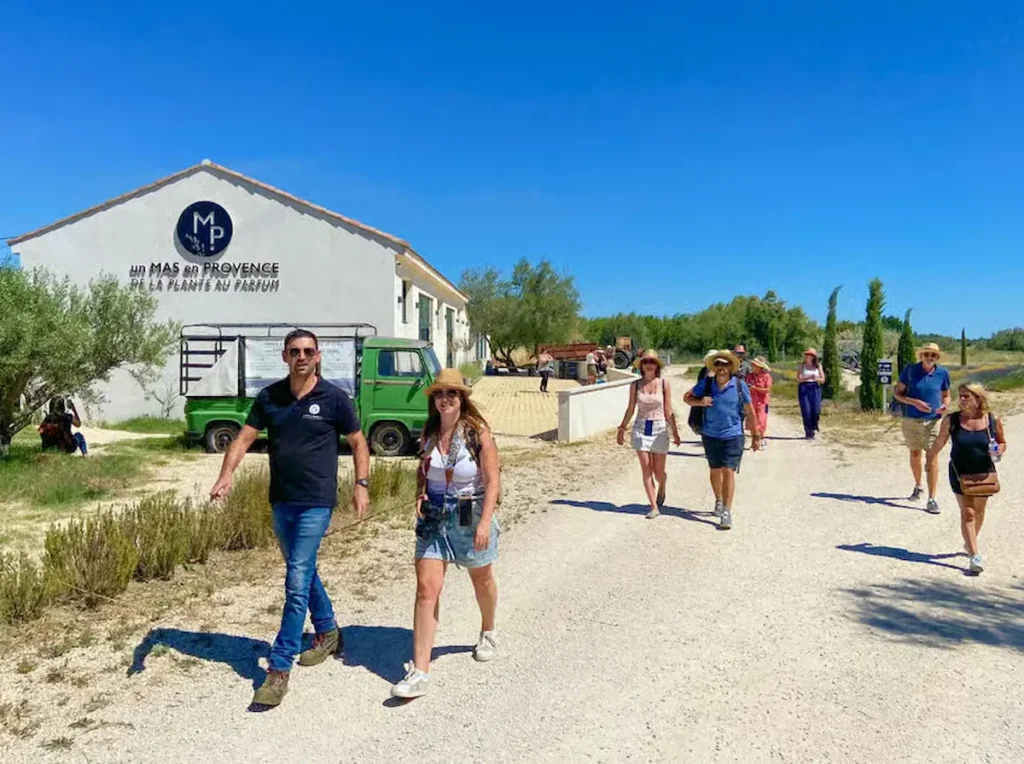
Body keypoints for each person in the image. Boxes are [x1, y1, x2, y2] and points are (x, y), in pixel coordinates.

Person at [210, 329, 370, 708]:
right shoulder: (270, 397)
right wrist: (226, 474)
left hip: (317, 502)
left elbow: (359, 442)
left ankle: (278, 669)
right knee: (304, 570)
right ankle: (329, 631)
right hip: (281, 501)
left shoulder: (334, 398)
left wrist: (361, 484)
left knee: (296, 580)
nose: (301, 357)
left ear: (317, 356)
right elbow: (244, 438)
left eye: (308, 351)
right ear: (285, 357)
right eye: (294, 351)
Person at [391, 368, 501, 699]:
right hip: (434, 515)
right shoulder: (429, 432)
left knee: (480, 577)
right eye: (440, 394)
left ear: (461, 398)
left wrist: (484, 524)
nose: (445, 399)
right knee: (426, 589)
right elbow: (423, 470)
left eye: (451, 394)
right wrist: (420, 493)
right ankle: (421, 670)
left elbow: (492, 479)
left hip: (469, 507)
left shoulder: (477, 432)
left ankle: (488, 630)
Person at [926, 384, 1005, 575]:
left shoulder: (992, 420)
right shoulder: (951, 420)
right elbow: (939, 441)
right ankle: (974, 555)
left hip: (984, 473)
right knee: (968, 513)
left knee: (979, 512)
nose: (961, 400)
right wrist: (929, 460)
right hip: (959, 473)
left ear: (978, 399)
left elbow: (1002, 442)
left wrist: (999, 450)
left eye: (966, 396)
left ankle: (970, 542)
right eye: (960, 396)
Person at [684, 350, 761, 530]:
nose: (722, 368)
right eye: (718, 364)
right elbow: (687, 398)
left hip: (733, 435)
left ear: (730, 367)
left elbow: (750, 411)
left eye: (725, 364)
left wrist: (756, 435)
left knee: (728, 471)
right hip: (710, 434)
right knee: (715, 470)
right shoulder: (707, 384)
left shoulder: (740, 386)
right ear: (715, 367)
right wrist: (700, 402)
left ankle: (726, 511)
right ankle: (718, 500)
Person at [616, 350, 682, 519]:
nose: (649, 365)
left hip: (659, 428)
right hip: (640, 427)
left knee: (658, 472)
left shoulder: (664, 384)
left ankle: (663, 484)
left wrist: (674, 431)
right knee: (646, 469)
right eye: (645, 362)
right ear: (642, 365)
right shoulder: (635, 385)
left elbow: (668, 409)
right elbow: (631, 408)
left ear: (656, 365)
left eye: (652, 361)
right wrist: (622, 427)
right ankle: (653, 506)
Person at [893, 342, 951, 514]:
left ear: (937, 358)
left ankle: (932, 499)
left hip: (933, 421)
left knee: (932, 456)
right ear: (921, 355)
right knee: (915, 453)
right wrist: (914, 402)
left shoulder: (942, 373)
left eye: (933, 355)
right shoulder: (910, 371)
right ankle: (918, 485)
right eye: (927, 354)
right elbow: (898, 393)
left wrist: (945, 406)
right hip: (911, 419)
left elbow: (946, 396)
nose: (930, 357)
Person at [797, 348, 825, 439]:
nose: (807, 356)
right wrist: (808, 377)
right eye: (806, 354)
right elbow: (798, 379)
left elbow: (823, 380)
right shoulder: (802, 366)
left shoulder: (818, 366)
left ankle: (814, 425)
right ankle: (808, 432)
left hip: (815, 388)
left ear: (813, 357)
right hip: (804, 387)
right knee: (806, 410)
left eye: (809, 355)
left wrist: (816, 378)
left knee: (816, 410)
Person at [745, 356, 773, 446]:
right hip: (752, 402)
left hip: (763, 402)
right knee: (752, 421)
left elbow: (767, 390)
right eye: (752, 365)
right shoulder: (749, 376)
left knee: (761, 421)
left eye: (755, 365)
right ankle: (755, 439)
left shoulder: (767, 377)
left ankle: (760, 437)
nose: (753, 366)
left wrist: (755, 389)